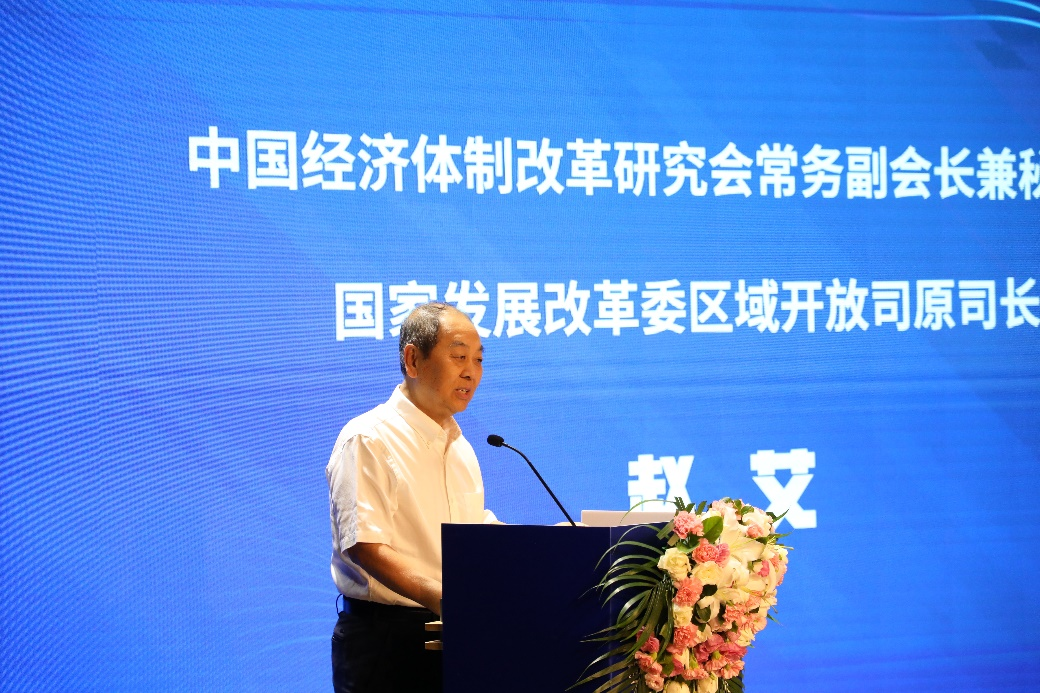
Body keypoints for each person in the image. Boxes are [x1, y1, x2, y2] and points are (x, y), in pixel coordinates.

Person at [326, 302, 497, 693]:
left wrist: (546, 541)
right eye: (459, 357)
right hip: (386, 642)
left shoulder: (460, 447)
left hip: (454, 636)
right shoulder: (368, 437)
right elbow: (366, 547)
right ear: (413, 359)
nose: (471, 371)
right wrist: (444, 598)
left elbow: (470, 530)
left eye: (478, 359)